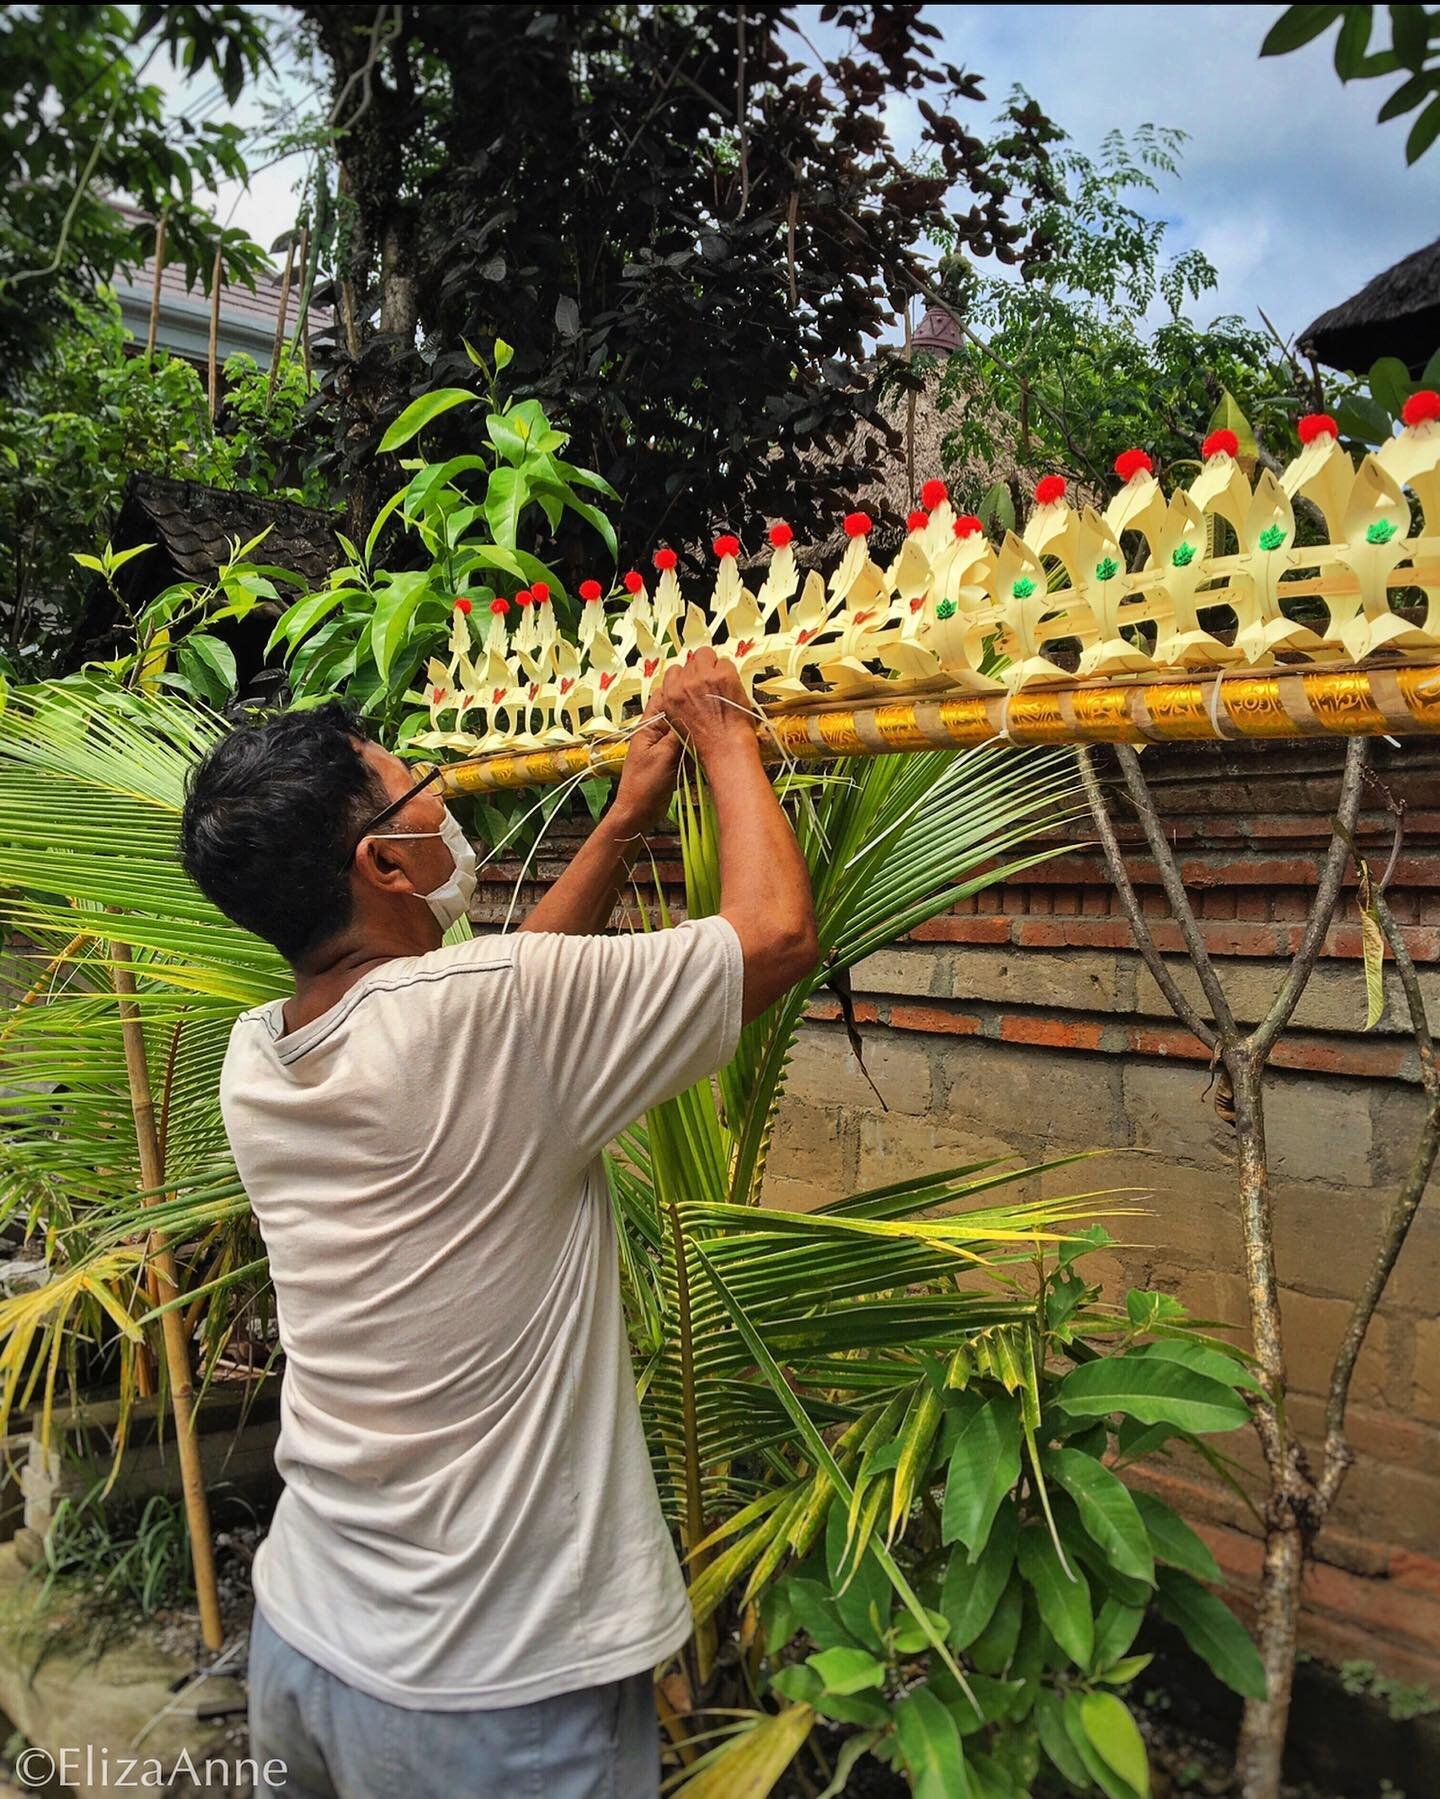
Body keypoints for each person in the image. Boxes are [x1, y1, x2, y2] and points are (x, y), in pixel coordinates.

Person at [179, 649, 818, 1799]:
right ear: (382, 860)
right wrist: (726, 734)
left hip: (305, 1639)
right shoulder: (486, 1019)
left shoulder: (258, 1057)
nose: (445, 801)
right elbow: (770, 936)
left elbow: (505, 995)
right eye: (417, 787)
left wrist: (625, 822)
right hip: (495, 1696)